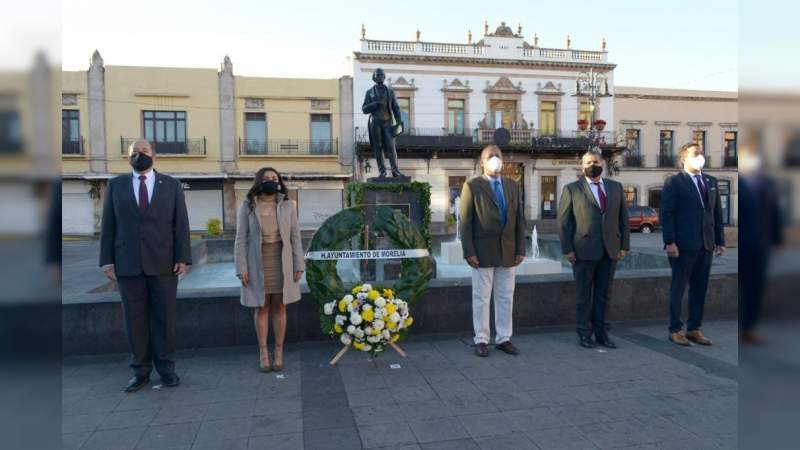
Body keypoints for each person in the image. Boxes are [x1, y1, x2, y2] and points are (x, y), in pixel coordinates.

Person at [99, 139, 191, 392]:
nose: (140, 155)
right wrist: (107, 259)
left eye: (145, 151)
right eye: (135, 152)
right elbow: (108, 226)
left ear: (154, 155)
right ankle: (140, 371)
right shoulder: (115, 185)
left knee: (165, 319)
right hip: (127, 264)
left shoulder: (171, 185)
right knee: (135, 321)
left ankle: (167, 369)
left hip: (164, 264)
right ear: (127, 157)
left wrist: (182, 258)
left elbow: (181, 224)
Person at [234, 167, 304, 372]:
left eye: (275, 178)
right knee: (261, 307)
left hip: (282, 260)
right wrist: (241, 267)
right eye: (266, 179)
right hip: (256, 261)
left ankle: (279, 351)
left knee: (281, 306)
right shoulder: (247, 206)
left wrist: (299, 264)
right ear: (258, 182)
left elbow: (295, 237)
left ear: (280, 182)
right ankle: (263, 352)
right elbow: (241, 239)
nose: (271, 181)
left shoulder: (289, 205)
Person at [557, 150, 629, 349]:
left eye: (595, 161)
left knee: (604, 294)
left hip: (609, 250)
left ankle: (602, 333)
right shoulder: (572, 189)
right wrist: (567, 249)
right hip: (583, 250)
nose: (592, 165)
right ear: (582, 166)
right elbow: (564, 222)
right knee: (583, 295)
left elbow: (623, 219)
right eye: (587, 162)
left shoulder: (616, 187)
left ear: (603, 163)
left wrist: (624, 246)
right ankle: (584, 333)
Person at [459, 145, 526, 357]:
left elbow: (519, 220)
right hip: (482, 252)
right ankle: (481, 339)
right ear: (482, 162)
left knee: (506, 296)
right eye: (490, 156)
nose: (495, 159)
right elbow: (465, 223)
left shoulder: (512, 185)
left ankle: (504, 338)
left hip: (508, 251)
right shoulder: (472, 186)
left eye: (498, 156)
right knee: (481, 297)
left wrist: (521, 248)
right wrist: (469, 251)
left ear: (503, 160)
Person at [661, 143, 725, 346]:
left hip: (705, 244)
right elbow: (667, 213)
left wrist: (720, 240)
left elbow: (716, 214)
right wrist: (669, 241)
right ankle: (675, 329)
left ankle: (694, 329)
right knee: (678, 288)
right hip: (682, 245)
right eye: (695, 154)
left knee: (700, 288)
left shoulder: (710, 181)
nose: (701, 156)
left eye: (701, 153)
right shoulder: (674, 182)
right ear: (683, 159)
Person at [738, 141, 782, 344]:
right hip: (741, 245)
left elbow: (775, 212)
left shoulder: (767, 182)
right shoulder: (738, 182)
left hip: (760, 243)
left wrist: (777, 239)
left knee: (756, 287)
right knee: (741, 286)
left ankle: (749, 326)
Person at [362, 67, 405, 178]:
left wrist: (399, 122)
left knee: (391, 147)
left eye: (381, 74)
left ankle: (395, 170)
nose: (379, 76)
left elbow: (396, 108)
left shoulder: (390, 92)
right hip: (375, 122)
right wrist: (374, 104)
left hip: (387, 122)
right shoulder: (369, 92)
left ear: (384, 77)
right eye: (377, 75)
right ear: (374, 77)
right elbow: (364, 109)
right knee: (378, 147)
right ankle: (382, 171)